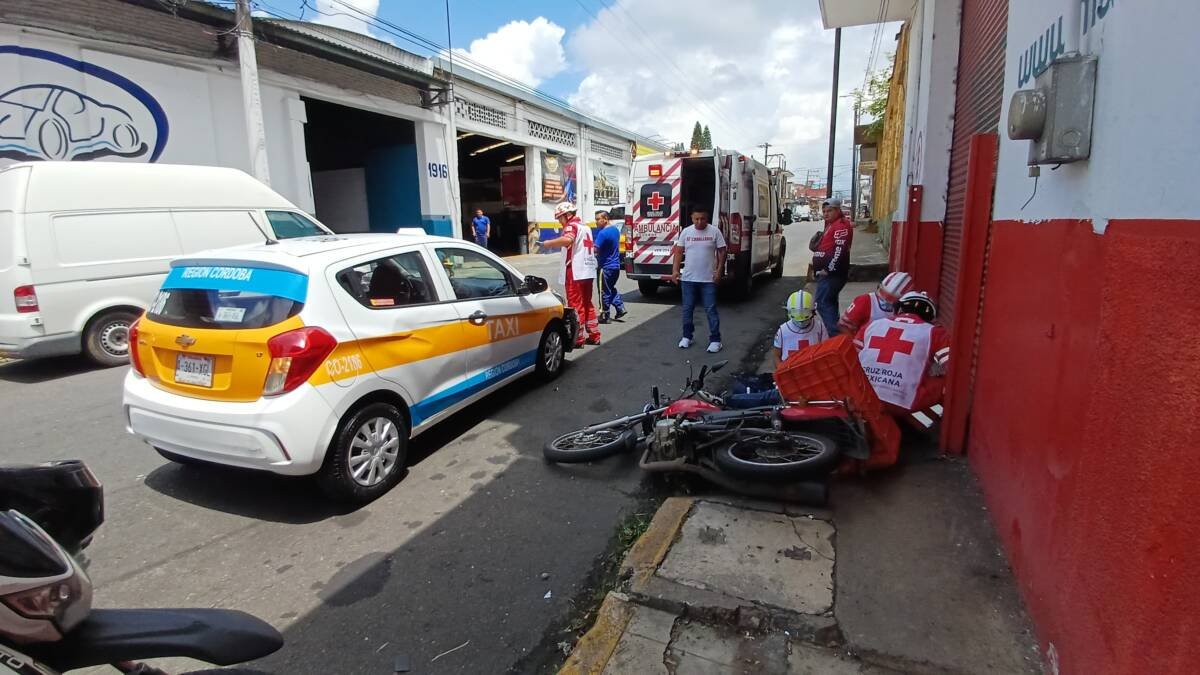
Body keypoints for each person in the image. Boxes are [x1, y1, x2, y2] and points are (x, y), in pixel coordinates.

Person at [854, 291, 950, 415]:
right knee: (948, 383)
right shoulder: (936, 333)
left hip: (859, 394)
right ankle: (936, 423)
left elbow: (852, 355)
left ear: (898, 308)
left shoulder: (871, 325)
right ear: (930, 316)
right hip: (899, 404)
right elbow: (952, 368)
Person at [536, 202, 600, 346]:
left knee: (575, 305)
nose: (560, 222)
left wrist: (547, 243)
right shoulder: (585, 227)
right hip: (588, 270)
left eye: (560, 218)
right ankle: (594, 335)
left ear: (568, 215)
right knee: (587, 303)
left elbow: (567, 240)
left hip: (575, 271)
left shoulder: (571, 226)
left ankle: (578, 338)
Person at [672, 207, 727, 353]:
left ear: (707, 218)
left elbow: (722, 251)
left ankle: (715, 340)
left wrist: (719, 270)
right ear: (692, 218)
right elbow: (678, 252)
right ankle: (687, 336)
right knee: (687, 309)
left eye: (702, 219)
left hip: (708, 279)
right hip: (688, 279)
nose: (699, 221)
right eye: (696, 219)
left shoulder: (714, 232)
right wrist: (675, 270)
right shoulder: (686, 232)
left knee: (710, 309)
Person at [809, 197, 854, 335]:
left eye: (829, 211)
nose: (826, 214)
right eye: (824, 211)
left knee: (822, 302)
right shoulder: (832, 224)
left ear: (837, 210)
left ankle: (836, 336)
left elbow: (839, 250)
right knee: (830, 303)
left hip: (832, 274)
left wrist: (828, 269)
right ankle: (837, 333)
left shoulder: (841, 226)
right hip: (827, 273)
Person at [838, 271, 914, 335]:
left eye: (891, 298)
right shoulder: (864, 301)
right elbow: (844, 327)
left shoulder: (908, 309)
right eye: (883, 292)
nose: (885, 299)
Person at [773, 289, 828, 368]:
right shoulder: (782, 331)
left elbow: (825, 351)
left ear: (813, 313)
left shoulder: (820, 327)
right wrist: (781, 370)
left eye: (805, 319)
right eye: (798, 320)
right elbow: (776, 356)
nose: (801, 322)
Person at [592, 210, 627, 324]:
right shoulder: (615, 230)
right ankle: (620, 308)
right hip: (615, 266)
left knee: (603, 291)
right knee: (610, 288)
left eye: (598, 219)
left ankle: (604, 315)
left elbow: (595, 249)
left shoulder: (603, 233)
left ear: (606, 219)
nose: (596, 222)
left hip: (605, 267)